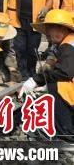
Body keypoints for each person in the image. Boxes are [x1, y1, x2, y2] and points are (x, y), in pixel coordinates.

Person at [20, 9, 74, 140]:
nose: (47, 33)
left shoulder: (69, 45)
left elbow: (65, 72)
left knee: (58, 87)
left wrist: (36, 80)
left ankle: (66, 133)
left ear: (61, 29)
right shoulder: (67, 41)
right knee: (54, 85)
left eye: (50, 28)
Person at [4, 0, 52, 81]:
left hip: (35, 22)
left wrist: (46, 8)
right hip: (17, 21)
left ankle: (32, 74)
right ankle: (24, 76)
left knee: (32, 50)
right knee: (20, 50)